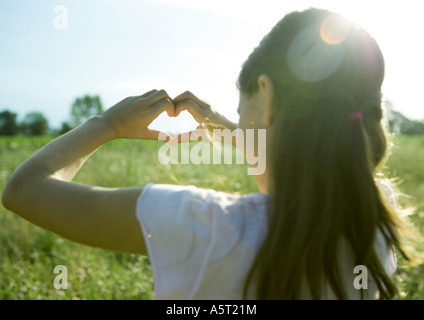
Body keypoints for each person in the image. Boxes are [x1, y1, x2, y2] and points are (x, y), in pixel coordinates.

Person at [1, 8, 414, 300]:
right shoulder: (374, 217)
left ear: (266, 95)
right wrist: (229, 126)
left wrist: (105, 125)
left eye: (243, 112)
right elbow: (312, 162)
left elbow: (23, 189)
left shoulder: (205, 227)